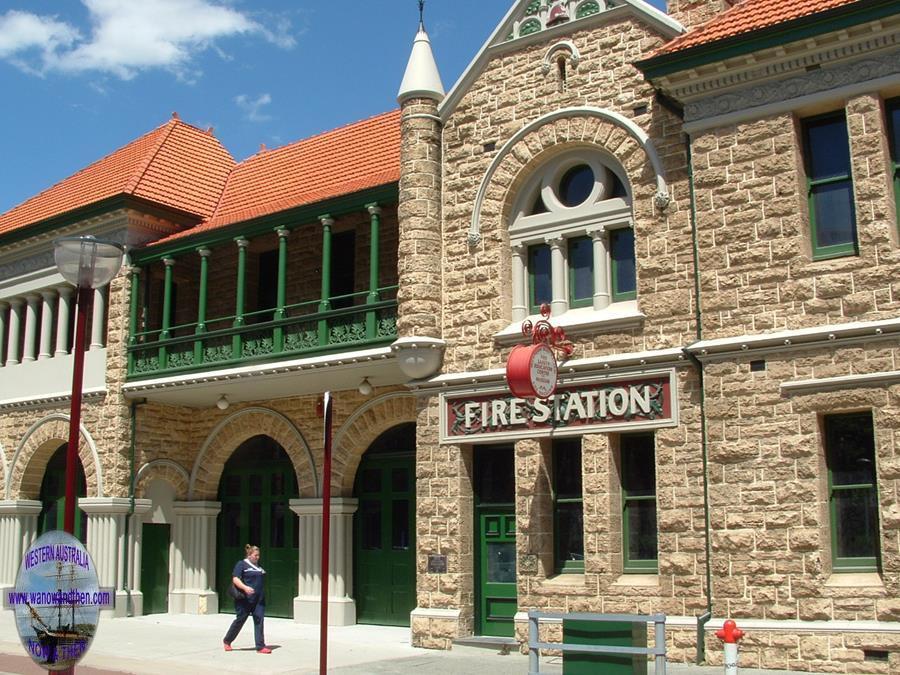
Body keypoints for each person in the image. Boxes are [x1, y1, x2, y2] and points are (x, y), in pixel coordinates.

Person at [223, 544, 271, 654]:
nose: (257, 557)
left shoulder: (259, 566)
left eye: (258, 555)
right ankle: (227, 640)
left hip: (259, 600)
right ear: (249, 555)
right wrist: (245, 587)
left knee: (259, 620)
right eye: (255, 555)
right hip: (244, 599)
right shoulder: (242, 564)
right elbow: (235, 579)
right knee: (240, 620)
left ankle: (260, 646)